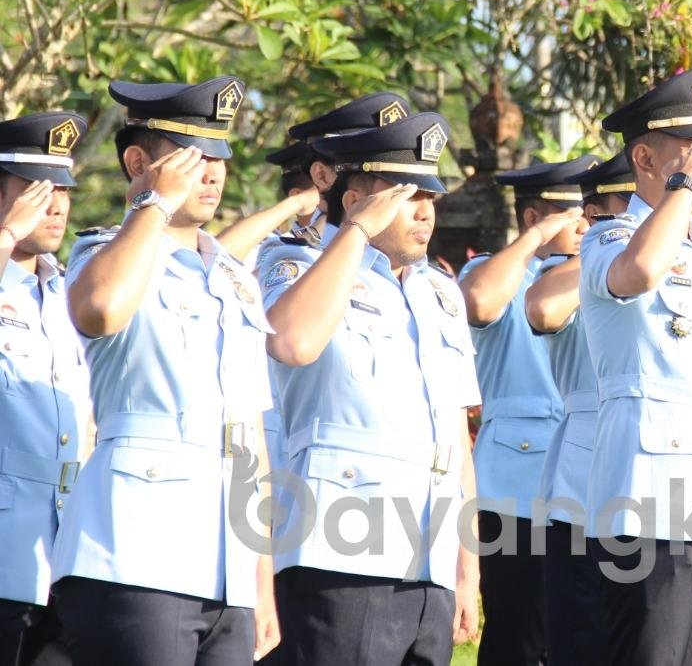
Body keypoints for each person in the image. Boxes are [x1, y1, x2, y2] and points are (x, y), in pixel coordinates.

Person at [51, 75, 278, 665]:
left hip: (227, 564)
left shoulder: (233, 280)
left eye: (219, 157)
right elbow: (99, 308)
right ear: (137, 161)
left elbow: (250, 435)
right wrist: (153, 205)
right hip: (135, 553)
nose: (211, 173)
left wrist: (261, 576)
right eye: (191, 157)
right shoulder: (105, 253)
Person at [256, 112, 481, 666]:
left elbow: (454, 436)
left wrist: (466, 565)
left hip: (427, 555)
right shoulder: (294, 264)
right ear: (355, 199)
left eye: (431, 195)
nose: (426, 211)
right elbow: (292, 339)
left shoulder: (439, 293)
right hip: (340, 552)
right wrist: (354, 234)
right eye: (406, 195)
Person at [579, 68, 692, 666]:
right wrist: (682, 184)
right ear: (644, 157)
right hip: (649, 501)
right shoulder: (609, 236)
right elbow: (638, 273)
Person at [457, 156, 593, 666]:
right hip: (517, 485)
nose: (586, 226)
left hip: (587, 480)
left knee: (580, 634)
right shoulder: (496, 271)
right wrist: (535, 241)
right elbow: (480, 301)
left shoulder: (597, 272)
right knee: (518, 635)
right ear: (536, 217)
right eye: (574, 215)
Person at [524, 152, 635, 666]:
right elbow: (544, 309)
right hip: (583, 488)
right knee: (583, 640)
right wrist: (597, 250)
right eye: (627, 204)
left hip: (656, 486)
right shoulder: (572, 268)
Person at [0, 113, 91, 666]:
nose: (54, 205)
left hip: (62, 565)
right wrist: (7, 233)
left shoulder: (67, 291)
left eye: (62, 189)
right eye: (36, 189)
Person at [215, 92, 411, 263]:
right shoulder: (296, 257)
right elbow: (218, 259)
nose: (394, 192)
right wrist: (297, 202)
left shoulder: (417, 269)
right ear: (322, 176)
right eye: (367, 175)